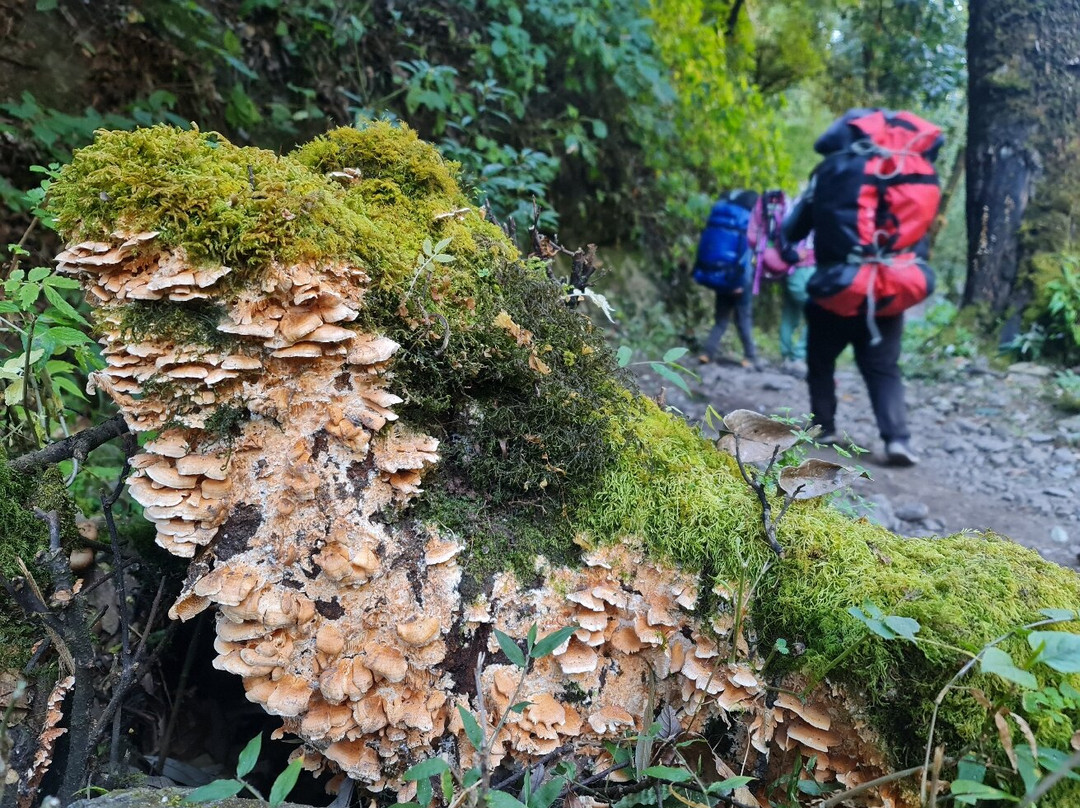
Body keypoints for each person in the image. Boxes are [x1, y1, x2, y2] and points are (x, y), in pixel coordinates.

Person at [783, 108, 943, 467]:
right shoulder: (905, 173)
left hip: (835, 291)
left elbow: (793, 231)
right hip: (887, 293)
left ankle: (824, 427)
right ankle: (897, 439)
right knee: (884, 367)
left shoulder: (832, 171)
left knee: (820, 360)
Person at [699, 189, 763, 369]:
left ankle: (707, 353)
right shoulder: (746, 222)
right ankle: (750, 356)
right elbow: (744, 256)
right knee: (744, 318)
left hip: (720, 277)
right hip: (739, 280)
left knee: (721, 319)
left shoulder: (722, 218)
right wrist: (739, 282)